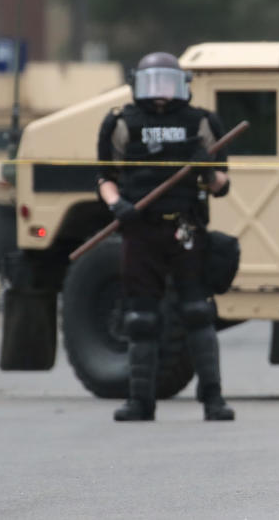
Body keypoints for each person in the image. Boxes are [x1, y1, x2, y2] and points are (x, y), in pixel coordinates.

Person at [97, 52, 235, 422]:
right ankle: (140, 401)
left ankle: (213, 399)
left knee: (197, 312)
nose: (160, 94)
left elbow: (222, 185)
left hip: (184, 228)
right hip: (139, 229)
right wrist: (116, 205)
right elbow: (104, 177)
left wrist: (206, 169)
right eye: (152, 84)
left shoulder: (202, 123)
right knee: (140, 317)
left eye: (167, 84)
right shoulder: (121, 123)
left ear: (182, 86)